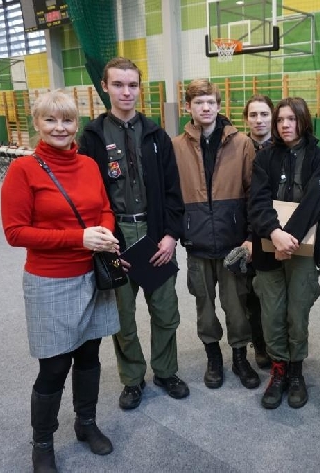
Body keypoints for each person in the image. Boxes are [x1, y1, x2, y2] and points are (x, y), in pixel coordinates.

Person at [2, 90, 120, 471]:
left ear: (75, 124)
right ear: (37, 123)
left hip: (92, 276)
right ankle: (42, 443)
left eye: (67, 120)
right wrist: (78, 238)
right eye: (50, 120)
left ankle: (86, 423)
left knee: (89, 356)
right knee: (54, 367)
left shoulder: (88, 165)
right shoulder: (23, 170)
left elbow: (104, 209)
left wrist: (104, 230)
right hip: (50, 282)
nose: (60, 128)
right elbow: (15, 232)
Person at [78, 57, 189, 410]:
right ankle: (132, 378)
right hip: (115, 236)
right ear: (105, 87)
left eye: (132, 85)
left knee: (166, 312)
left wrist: (171, 236)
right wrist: (103, 240)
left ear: (140, 88)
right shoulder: (93, 136)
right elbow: (85, 194)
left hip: (155, 233)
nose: (126, 92)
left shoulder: (156, 134)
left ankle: (166, 371)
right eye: (118, 84)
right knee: (122, 317)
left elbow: (173, 191)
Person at [249, 97, 320, 409]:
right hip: (268, 245)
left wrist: (290, 238)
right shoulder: (264, 157)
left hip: (303, 246)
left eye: (292, 119)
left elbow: (316, 199)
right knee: (272, 312)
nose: (285, 125)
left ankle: (296, 370)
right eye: (280, 120)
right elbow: (257, 201)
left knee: (297, 311)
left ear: (304, 121)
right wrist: (275, 234)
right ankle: (279, 369)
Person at [172, 79, 260, 390]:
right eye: (199, 102)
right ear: (188, 107)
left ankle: (240, 357)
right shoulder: (176, 146)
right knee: (204, 307)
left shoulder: (242, 144)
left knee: (237, 306)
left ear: (220, 106)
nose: (205, 108)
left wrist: (250, 236)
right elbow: (171, 195)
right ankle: (213, 356)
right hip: (197, 243)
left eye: (211, 102)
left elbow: (253, 194)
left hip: (232, 243)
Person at [242, 94, 275, 368]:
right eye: (253, 115)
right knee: (251, 293)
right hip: (247, 232)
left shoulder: (283, 148)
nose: (259, 120)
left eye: (264, 114)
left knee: (275, 291)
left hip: (276, 230)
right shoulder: (238, 149)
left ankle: (279, 342)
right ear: (246, 119)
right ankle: (260, 343)